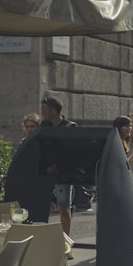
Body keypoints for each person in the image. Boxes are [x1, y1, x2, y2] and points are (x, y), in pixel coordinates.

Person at [40, 95, 77, 236]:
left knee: (63, 208)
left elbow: (72, 152)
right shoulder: (44, 126)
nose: (42, 113)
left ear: (53, 111)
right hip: (45, 171)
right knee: (41, 206)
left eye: (44, 110)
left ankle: (65, 242)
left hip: (63, 174)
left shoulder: (70, 127)